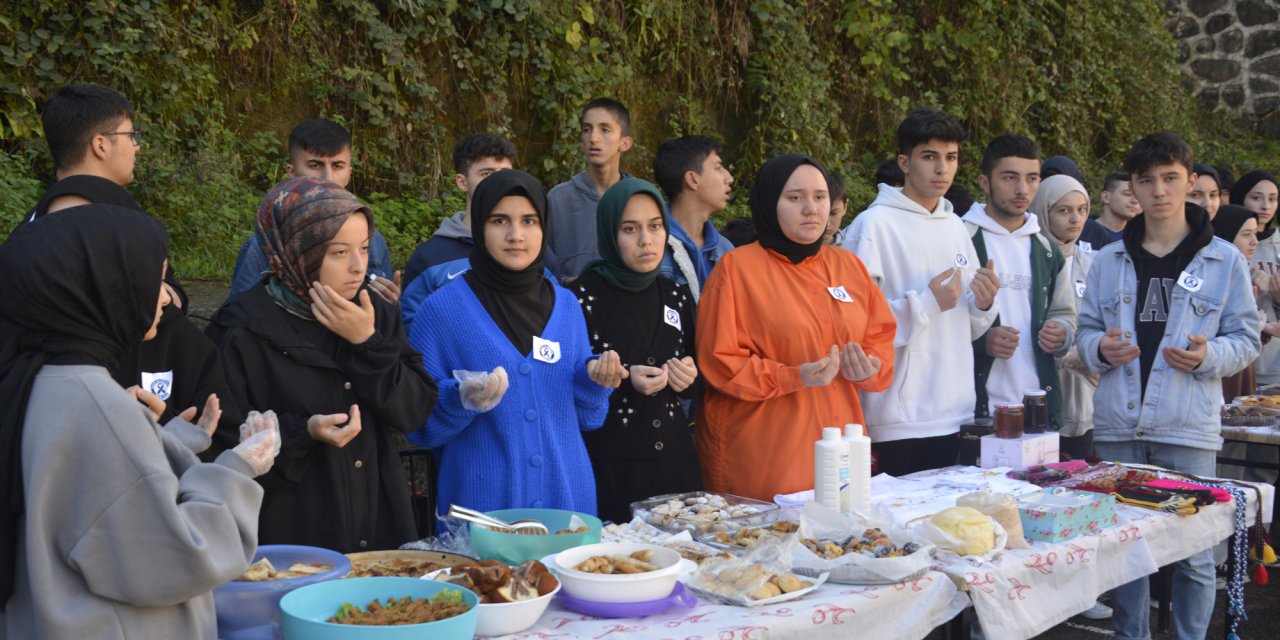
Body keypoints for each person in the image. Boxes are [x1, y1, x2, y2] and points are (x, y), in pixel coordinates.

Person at [1, 206, 280, 639]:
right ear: (100, 286)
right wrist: (237, 468)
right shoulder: (95, 404)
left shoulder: (33, 378)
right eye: (156, 278)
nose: (166, 297)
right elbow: (175, 561)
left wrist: (165, 442)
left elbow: (86, 505)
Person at [1077, 132, 1259, 640]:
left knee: (1195, 555)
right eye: (1147, 180)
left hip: (1187, 426)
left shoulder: (1225, 259)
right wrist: (1099, 348)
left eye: (1170, 178)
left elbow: (1246, 338)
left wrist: (1208, 356)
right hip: (1119, 424)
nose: (1159, 190)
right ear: (1132, 187)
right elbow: (1085, 332)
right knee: (1124, 552)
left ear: (1190, 181)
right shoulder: (1108, 259)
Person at [207, 177, 437, 552]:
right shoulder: (240, 329)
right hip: (293, 535)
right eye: (339, 252)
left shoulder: (374, 311)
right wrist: (303, 432)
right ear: (296, 251)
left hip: (378, 521)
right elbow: (224, 445)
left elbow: (414, 411)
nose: (358, 267)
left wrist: (368, 342)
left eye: (364, 249)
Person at [16, 82, 238, 438]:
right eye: (131, 135)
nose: (137, 146)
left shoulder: (28, 230)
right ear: (101, 144)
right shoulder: (115, 226)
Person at [407, 170, 625, 515]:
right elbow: (418, 425)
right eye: (499, 221)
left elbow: (589, 417)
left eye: (529, 221)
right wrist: (460, 398)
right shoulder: (440, 311)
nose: (515, 235)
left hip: (566, 505)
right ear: (479, 226)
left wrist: (594, 381)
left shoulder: (567, 306)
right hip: (482, 515)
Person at [698, 154, 897, 500]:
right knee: (775, 531)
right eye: (795, 198)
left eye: (820, 197)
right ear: (769, 202)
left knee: (840, 527)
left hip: (840, 444)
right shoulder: (736, 270)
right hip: (765, 452)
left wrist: (870, 367)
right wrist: (793, 376)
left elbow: (879, 336)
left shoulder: (848, 266)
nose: (811, 209)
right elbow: (720, 362)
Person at [840, 109, 1000, 476]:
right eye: (929, 157)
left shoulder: (956, 226)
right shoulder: (872, 226)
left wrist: (984, 303)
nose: (942, 168)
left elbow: (970, 327)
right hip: (896, 419)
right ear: (904, 163)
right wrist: (927, 304)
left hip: (956, 411)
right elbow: (855, 328)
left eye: (951, 158)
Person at [572, 178, 702, 522]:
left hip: (674, 465)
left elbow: (697, 375)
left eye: (655, 226)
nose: (646, 240)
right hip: (610, 466)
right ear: (609, 234)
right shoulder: (579, 297)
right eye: (630, 229)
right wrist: (623, 378)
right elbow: (565, 382)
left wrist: (688, 378)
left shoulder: (675, 294)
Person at [962, 135, 1074, 428]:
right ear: (985, 182)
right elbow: (939, 321)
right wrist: (980, 340)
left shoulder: (1047, 249)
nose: (1022, 189)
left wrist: (1061, 332)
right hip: (976, 410)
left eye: (1032, 178)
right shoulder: (961, 238)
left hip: (1038, 406)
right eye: (1009, 178)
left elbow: (1065, 313)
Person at [228, 119, 398, 303]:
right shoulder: (266, 243)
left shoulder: (373, 239)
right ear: (291, 173)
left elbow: (381, 309)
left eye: (337, 166)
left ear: (349, 174)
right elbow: (238, 312)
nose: (328, 178)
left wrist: (389, 307)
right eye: (315, 166)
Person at [1029, 175, 1096, 459]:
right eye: (1063, 210)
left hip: (1089, 406)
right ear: (1043, 210)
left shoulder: (1094, 263)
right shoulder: (1028, 257)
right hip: (1040, 402)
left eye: (1082, 210)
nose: (1075, 219)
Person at [402, 134, 517, 287]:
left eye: (505, 173)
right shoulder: (430, 258)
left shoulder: (528, 247)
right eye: (486, 174)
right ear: (462, 182)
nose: (499, 182)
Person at [547, 98, 634, 280]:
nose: (593, 138)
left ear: (625, 143)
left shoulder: (638, 198)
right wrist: (566, 283)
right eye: (587, 129)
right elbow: (542, 265)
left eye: (605, 130)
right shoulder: (558, 199)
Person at [651, 135, 736, 300]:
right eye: (718, 168)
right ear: (692, 179)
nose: (729, 178)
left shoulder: (725, 250)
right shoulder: (650, 247)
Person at [1211, 205, 1266, 400]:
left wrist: (1265, 329)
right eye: (1246, 234)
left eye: (1256, 233)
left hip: (1242, 371)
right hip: (1220, 377)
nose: (1254, 241)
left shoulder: (1244, 276)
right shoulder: (1213, 278)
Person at [1234, 170, 1280, 388]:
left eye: (1272, 199)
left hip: (1276, 366)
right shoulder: (1227, 244)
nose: (1265, 206)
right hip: (1239, 364)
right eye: (1256, 197)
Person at [1077, 172, 1140, 252]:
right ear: (1106, 197)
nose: (1135, 201)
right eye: (1127, 194)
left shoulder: (1139, 238)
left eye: (1137, 195)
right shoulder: (1080, 229)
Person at [824, 170, 849, 245]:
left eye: (833, 213)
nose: (827, 224)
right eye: (819, 213)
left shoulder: (854, 246)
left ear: (845, 206)